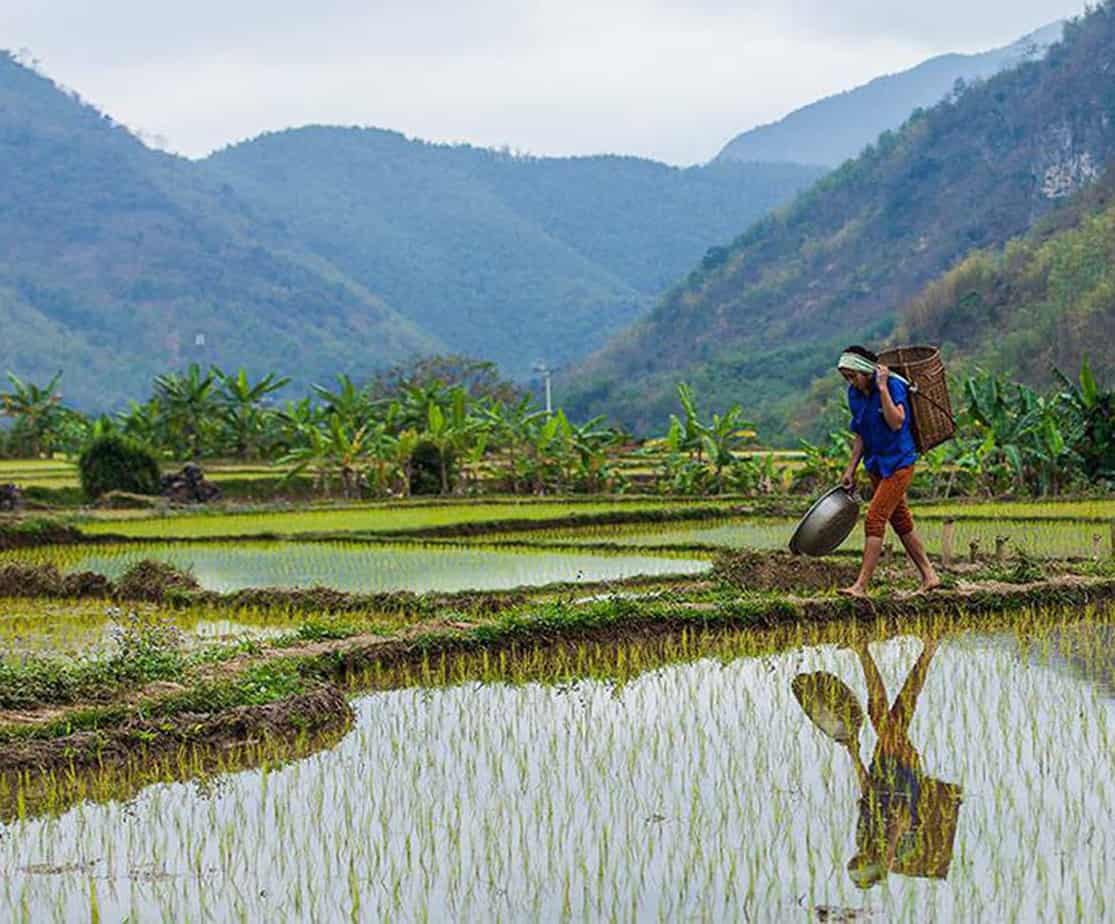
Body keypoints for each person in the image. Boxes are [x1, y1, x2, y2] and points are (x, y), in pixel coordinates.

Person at [791, 636, 962, 890]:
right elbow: (903, 815)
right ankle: (867, 649)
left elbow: (866, 792)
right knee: (881, 713)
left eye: (858, 859)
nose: (861, 855)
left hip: (880, 769)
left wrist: (855, 755)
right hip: (905, 774)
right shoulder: (901, 847)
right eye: (863, 860)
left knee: (899, 711)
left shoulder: (863, 836)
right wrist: (891, 843)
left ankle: (926, 648)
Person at [837, 346, 940, 597]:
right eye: (846, 377)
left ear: (865, 371)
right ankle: (930, 576)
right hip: (875, 464)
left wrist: (882, 388)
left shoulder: (893, 386)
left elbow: (896, 422)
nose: (850, 382)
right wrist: (850, 469)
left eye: (853, 375)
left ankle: (861, 586)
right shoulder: (854, 394)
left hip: (899, 463)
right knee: (900, 519)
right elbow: (861, 434)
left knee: (874, 518)